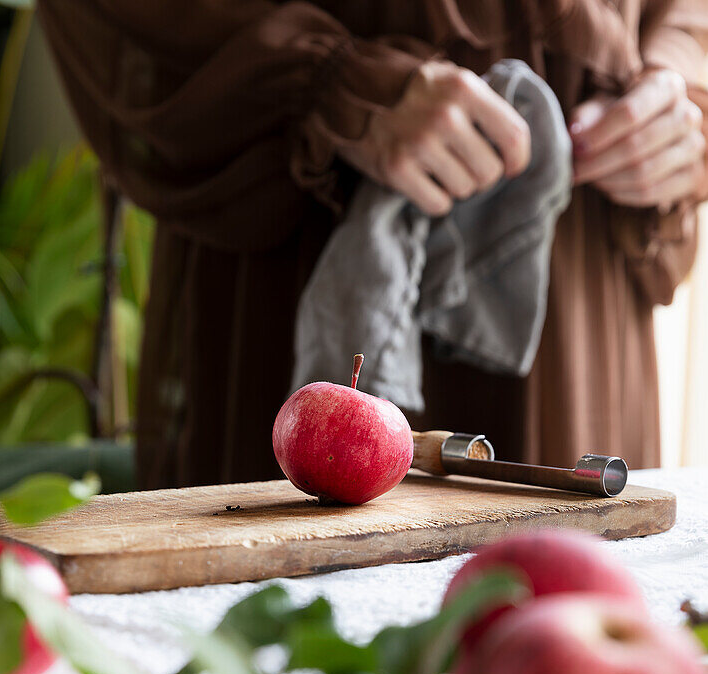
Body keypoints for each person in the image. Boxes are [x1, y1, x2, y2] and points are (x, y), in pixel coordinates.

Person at [37, 1, 708, 487]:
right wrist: (332, 83)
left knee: (560, 626)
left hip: (577, 276)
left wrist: (682, 88)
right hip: (297, 225)